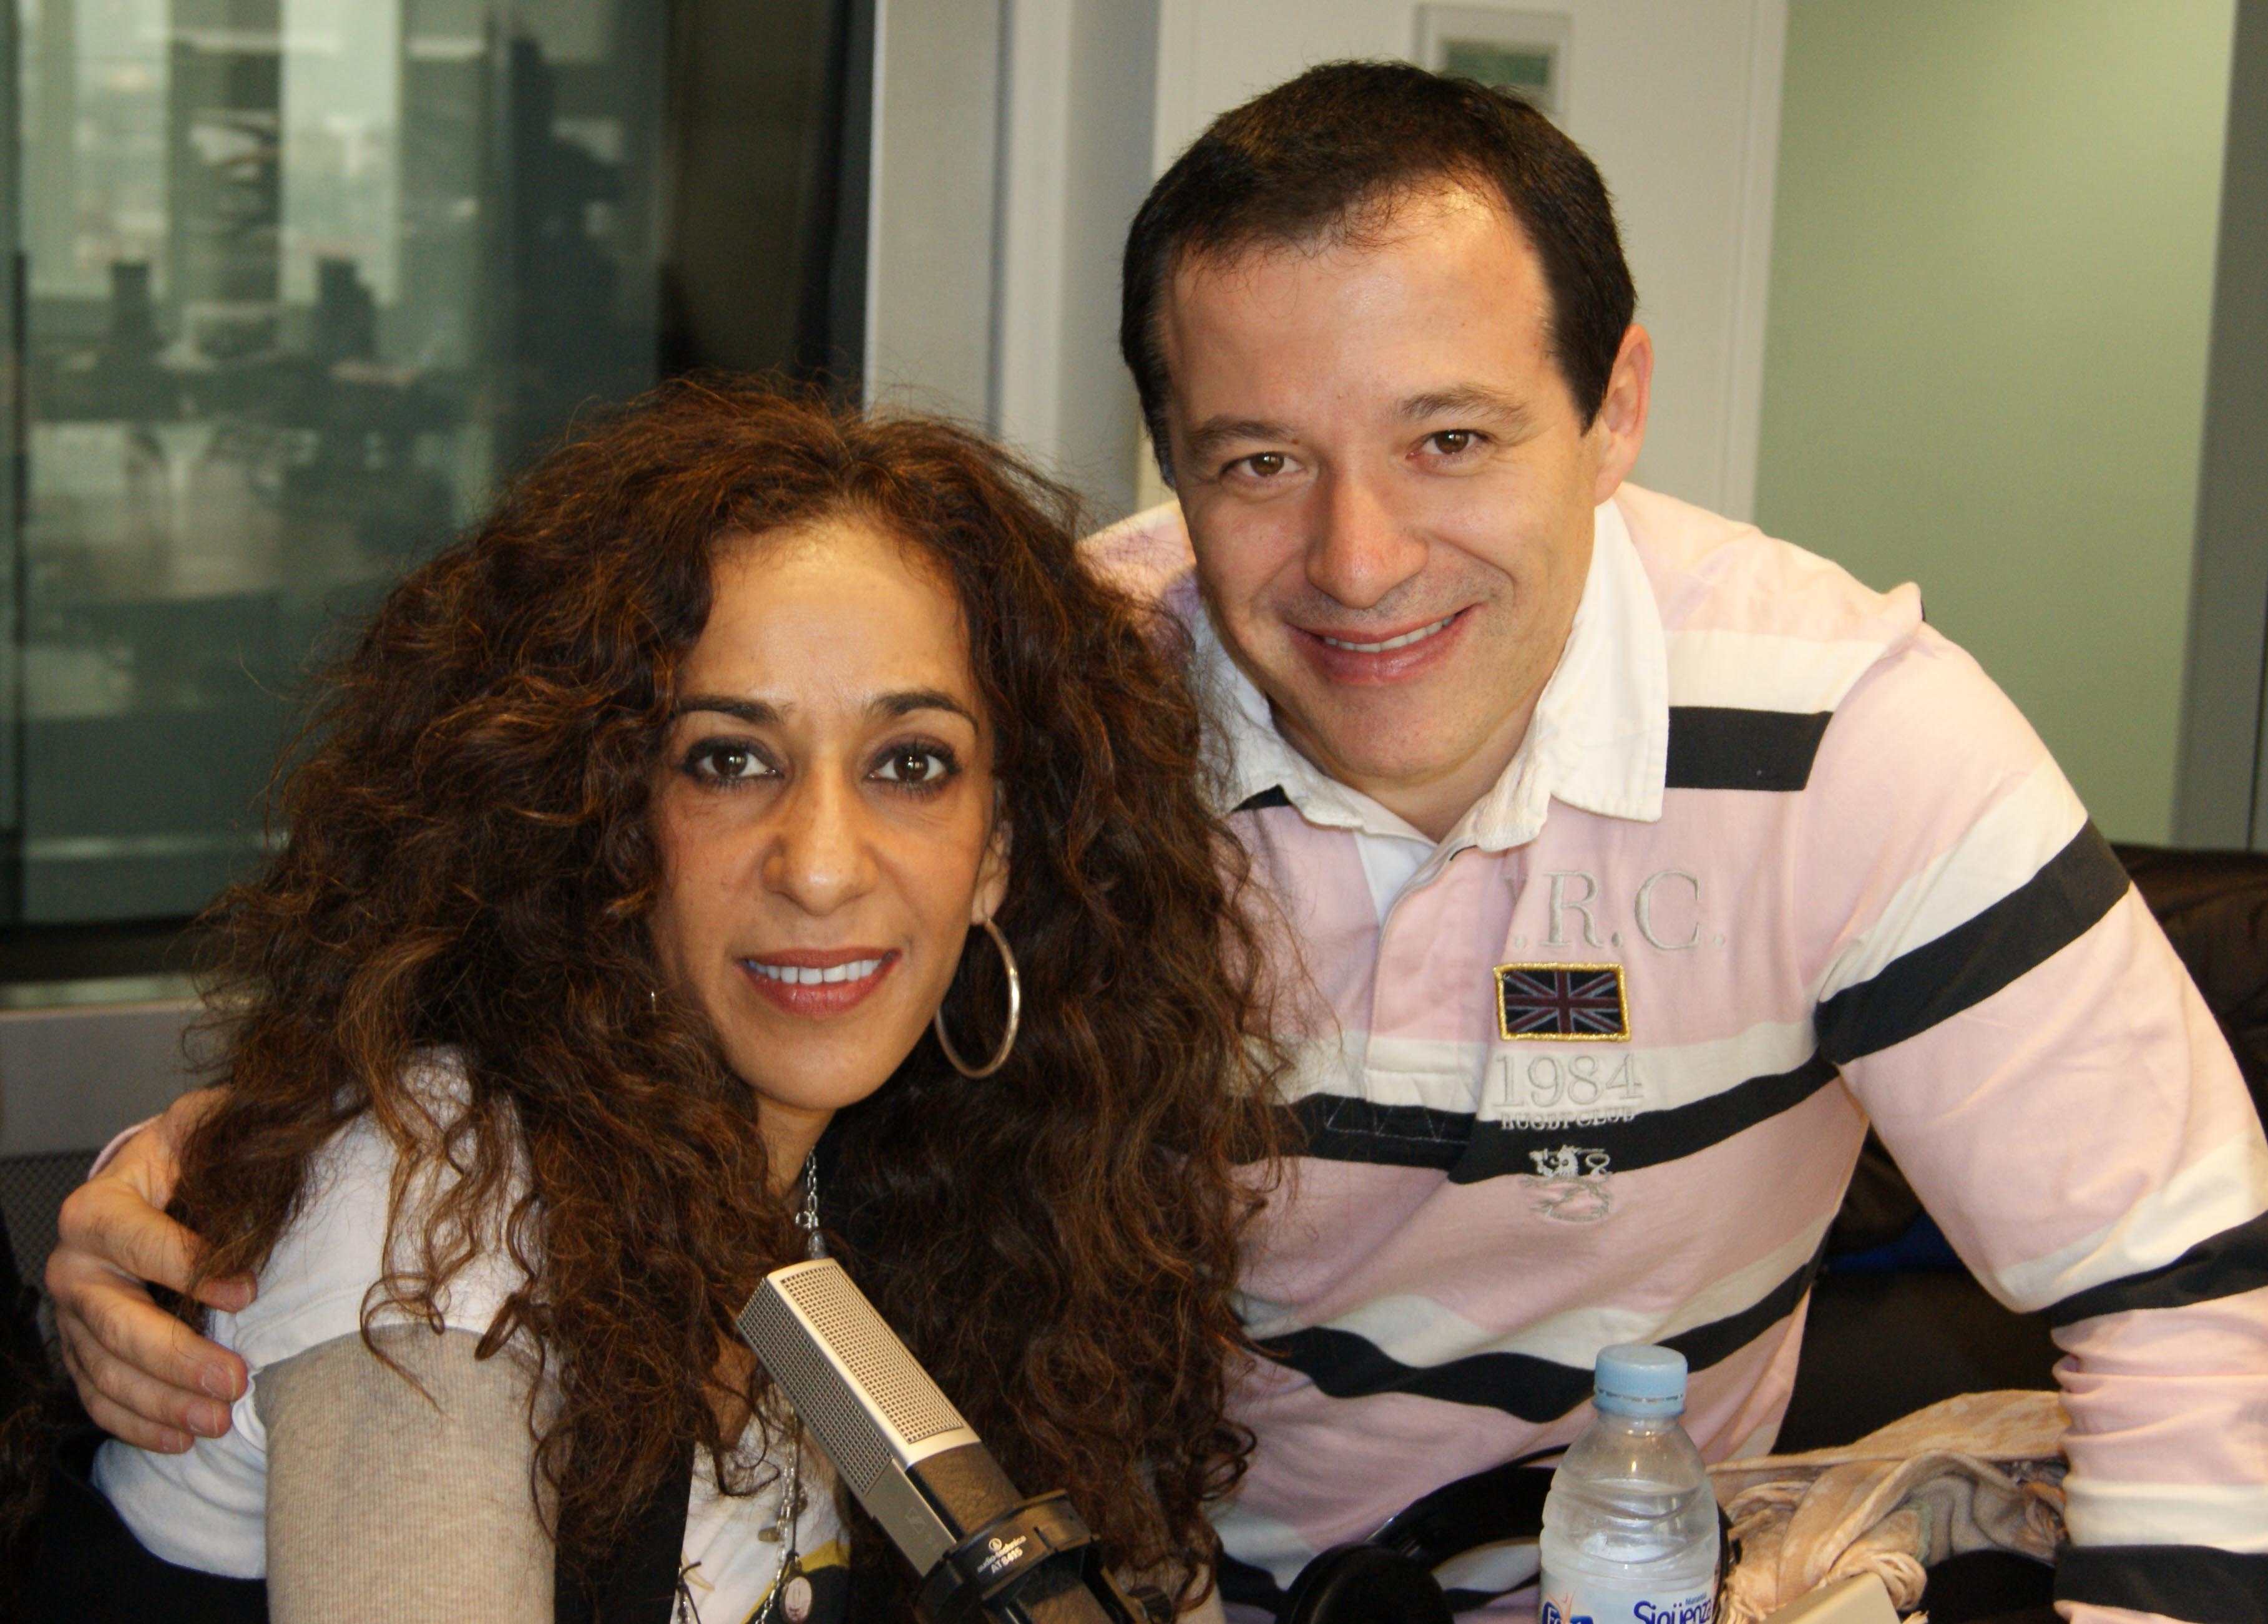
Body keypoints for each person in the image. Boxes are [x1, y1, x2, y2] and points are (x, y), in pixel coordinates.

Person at [49, 61, 2268, 1623]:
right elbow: (538, 1012)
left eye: (1452, 436)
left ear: (1614, 411)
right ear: (1169, 466)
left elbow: (2200, 1319)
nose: (1358, 562)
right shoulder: (1050, 690)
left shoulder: (1861, 749)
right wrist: (247, 1174)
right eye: (1257, 461)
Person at [21, 381, 1276, 1622]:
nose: (822, 865)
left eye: (911, 763)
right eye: (728, 760)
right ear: (596, 809)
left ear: (995, 848)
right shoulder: (440, 1192)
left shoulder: (922, 1179)